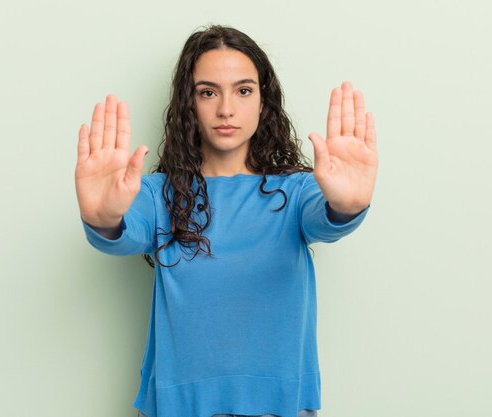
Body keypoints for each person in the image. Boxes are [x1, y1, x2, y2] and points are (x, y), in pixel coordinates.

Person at [75, 24, 378, 417]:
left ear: (263, 101)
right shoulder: (155, 193)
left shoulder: (298, 190)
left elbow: (327, 219)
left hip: (280, 407)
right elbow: (121, 234)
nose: (226, 109)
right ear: (189, 103)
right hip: (178, 408)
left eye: (243, 90)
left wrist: (348, 206)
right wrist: (102, 217)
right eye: (207, 92)